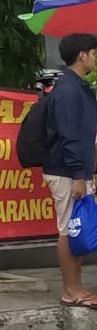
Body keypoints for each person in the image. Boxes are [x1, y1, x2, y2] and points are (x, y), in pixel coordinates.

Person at [44, 33, 97, 308]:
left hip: (76, 170)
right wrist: (78, 175)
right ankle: (71, 291)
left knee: (76, 227)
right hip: (67, 171)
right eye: (94, 53)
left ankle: (77, 287)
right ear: (82, 55)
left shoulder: (78, 87)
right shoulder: (68, 90)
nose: (95, 58)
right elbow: (70, 135)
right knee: (69, 228)